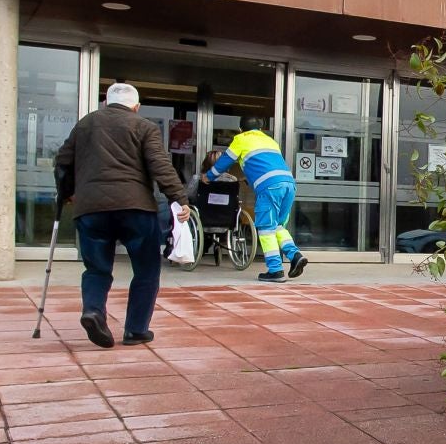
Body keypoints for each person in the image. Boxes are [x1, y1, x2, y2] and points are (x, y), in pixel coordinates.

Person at [53, 82, 192, 347]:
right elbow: (159, 166)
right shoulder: (144, 126)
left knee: (96, 269)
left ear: (106, 102)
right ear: (136, 107)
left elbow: (62, 162)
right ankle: (136, 330)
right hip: (135, 208)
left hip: (91, 208)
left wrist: (67, 193)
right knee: (146, 270)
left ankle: (93, 311)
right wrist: (179, 198)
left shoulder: (85, 124)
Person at [202, 127, 306, 281]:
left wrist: (209, 176)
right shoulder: (269, 140)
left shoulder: (241, 139)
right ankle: (295, 255)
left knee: (265, 229)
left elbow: (224, 161)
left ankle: (275, 270)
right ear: (260, 128)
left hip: (270, 187)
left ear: (239, 129)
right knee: (277, 225)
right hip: (289, 184)